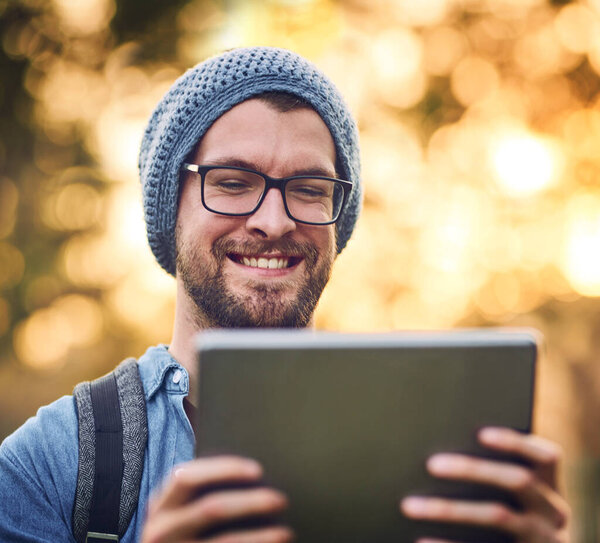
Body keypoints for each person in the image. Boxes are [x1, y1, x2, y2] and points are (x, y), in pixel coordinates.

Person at [0, 47, 570, 543]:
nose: (273, 221)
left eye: (308, 188)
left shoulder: (436, 449)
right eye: (231, 182)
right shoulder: (49, 465)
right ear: (168, 209)